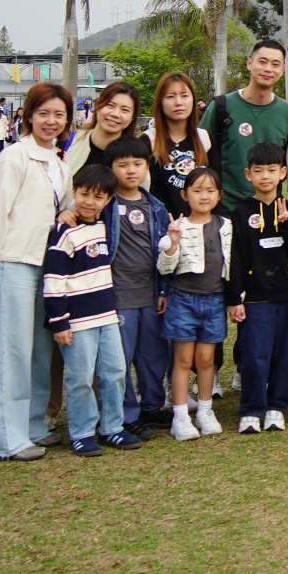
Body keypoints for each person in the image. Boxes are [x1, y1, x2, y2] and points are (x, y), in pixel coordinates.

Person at [0, 82, 73, 462]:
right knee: (9, 353)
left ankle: (32, 425)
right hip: (11, 263)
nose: (51, 121)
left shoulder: (58, 161)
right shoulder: (14, 157)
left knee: (38, 353)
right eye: (43, 113)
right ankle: (3, 439)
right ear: (28, 116)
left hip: (46, 266)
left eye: (59, 114)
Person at [44, 165, 142, 457]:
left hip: (107, 317)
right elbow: (54, 280)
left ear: (108, 200)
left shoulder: (106, 227)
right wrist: (59, 322)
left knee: (115, 372)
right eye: (84, 194)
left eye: (98, 197)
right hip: (77, 322)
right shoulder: (64, 232)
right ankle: (82, 433)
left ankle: (112, 427)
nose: (89, 202)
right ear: (74, 192)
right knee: (81, 378)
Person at [225, 141, 288, 433]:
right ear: (248, 174)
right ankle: (251, 409)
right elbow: (236, 257)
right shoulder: (241, 212)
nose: (265, 176)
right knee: (255, 355)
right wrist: (234, 297)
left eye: (271, 170)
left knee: (287, 355)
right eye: (258, 170)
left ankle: (276, 407)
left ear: (282, 172)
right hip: (255, 297)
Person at [99, 135, 174, 437]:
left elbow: (165, 252)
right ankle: (125, 415)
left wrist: (164, 290)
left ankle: (152, 407)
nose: (131, 170)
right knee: (119, 359)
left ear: (147, 166)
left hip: (151, 295)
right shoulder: (104, 205)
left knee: (153, 354)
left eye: (138, 163)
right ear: (110, 168)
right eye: (123, 165)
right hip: (117, 297)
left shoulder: (156, 206)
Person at [157, 166, 230, 441]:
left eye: (210, 190)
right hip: (182, 300)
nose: (204, 196)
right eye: (197, 190)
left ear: (219, 195)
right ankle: (180, 415)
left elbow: (233, 263)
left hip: (215, 300)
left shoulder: (226, 226)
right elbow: (164, 268)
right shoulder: (178, 227)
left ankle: (205, 410)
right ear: (184, 194)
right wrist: (172, 244)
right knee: (183, 359)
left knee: (206, 359)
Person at [202, 41, 288, 211]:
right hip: (225, 211)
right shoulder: (220, 107)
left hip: (269, 212)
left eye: (275, 64)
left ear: (283, 70)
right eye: (262, 62)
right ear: (249, 63)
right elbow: (199, 154)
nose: (268, 69)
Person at [147, 72, 212, 219]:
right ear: (160, 103)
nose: (178, 102)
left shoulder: (205, 139)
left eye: (184, 96)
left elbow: (215, 186)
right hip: (163, 226)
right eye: (170, 97)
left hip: (201, 225)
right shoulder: (149, 141)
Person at [63, 80, 141, 173]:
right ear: (98, 106)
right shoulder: (66, 143)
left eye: (125, 110)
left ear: (132, 118)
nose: (115, 114)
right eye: (110, 105)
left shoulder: (137, 157)